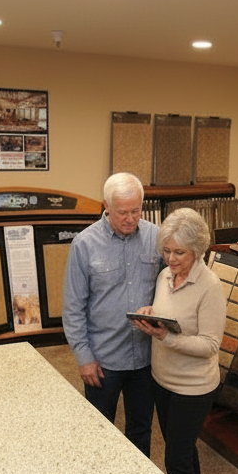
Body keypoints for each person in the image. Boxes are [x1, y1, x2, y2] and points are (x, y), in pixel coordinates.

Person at [133, 207, 226, 474]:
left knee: (175, 457)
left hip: (194, 387)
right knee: (182, 449)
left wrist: (165, 337)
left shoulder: (210, 286)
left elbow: (210, 345)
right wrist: (150, 314)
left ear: (198, 250)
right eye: (166, 251)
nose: (170, 259)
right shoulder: (164, 277)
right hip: (163, 379)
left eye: (179, 252)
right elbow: (168, 315)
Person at [62, 172, 162, 456]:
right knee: (98, 432)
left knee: (141, 431)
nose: (130, 219)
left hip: (145, 359)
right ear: (105, 206)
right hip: (103, 361)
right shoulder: (84, 244)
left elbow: (171, 287)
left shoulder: (156, 237)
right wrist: (84, 358)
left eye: (136, 211)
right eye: (122, 213)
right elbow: (73, 308)